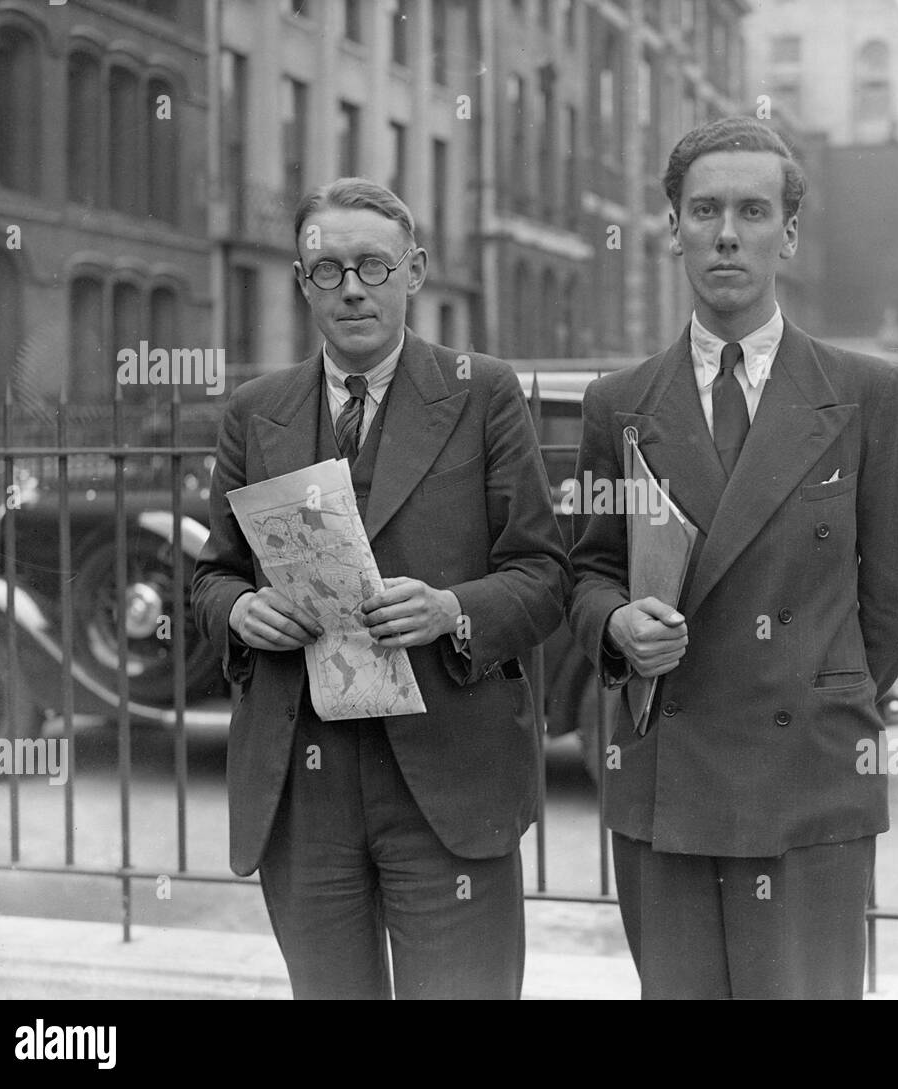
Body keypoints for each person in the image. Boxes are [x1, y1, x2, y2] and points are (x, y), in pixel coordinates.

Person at [567, 118, 898, 999]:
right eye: (704, 211)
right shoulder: (618, 404)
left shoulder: (867, 393)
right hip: (668, 778)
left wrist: (823, 689)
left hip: (807, 780)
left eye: (752, 210)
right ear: (674, 231)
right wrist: (617, 624)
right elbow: (585, 571)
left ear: (789, 234)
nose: (727, 233)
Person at [192, 177, 569, 999]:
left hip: (447, 774)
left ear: (415, 271)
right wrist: (243, 611)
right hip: (304, 781)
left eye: (374, 265)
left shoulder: (482, 393)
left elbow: (544, 574)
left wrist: (451, 610)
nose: (353, 289)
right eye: (328, 271)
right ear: (302, 282)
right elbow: (210, 575)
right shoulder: (255, 411)